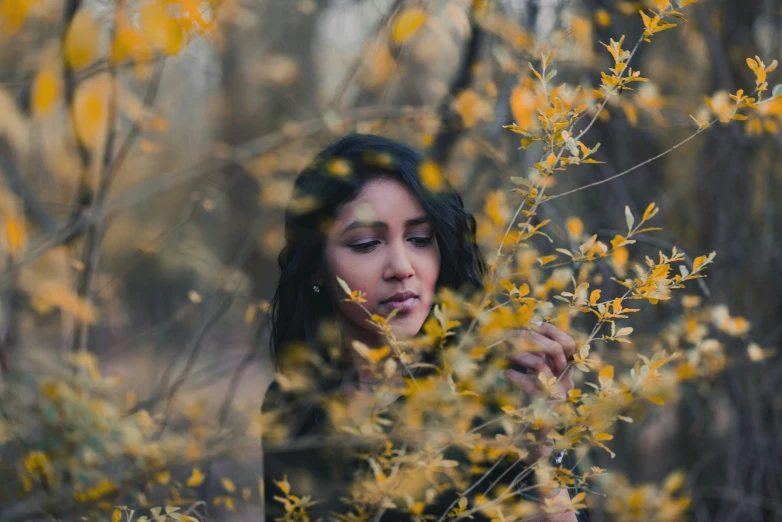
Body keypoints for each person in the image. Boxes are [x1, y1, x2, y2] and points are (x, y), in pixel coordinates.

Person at [262, 134, 589, 521]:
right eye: (366, 243)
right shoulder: (293, 404)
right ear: (316, 264)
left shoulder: (503, 387)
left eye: (420, 239)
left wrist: (545, 456)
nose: (402, 267)